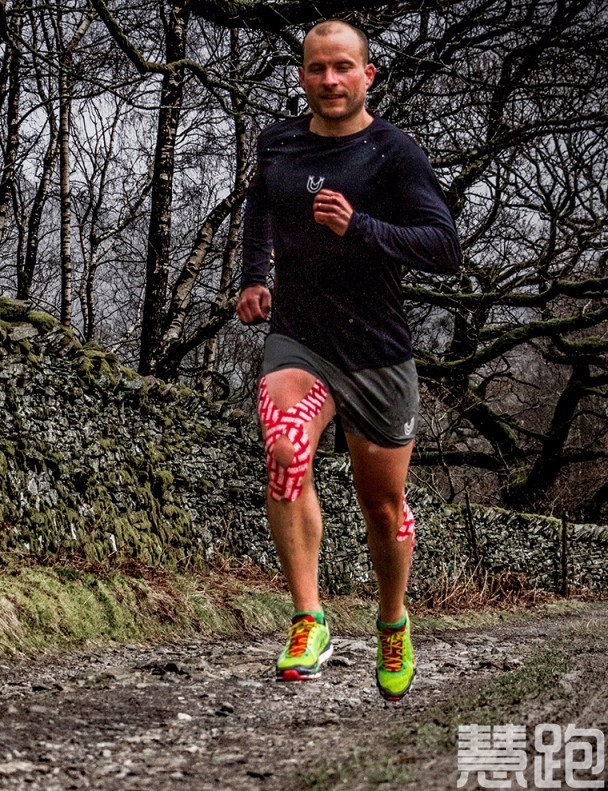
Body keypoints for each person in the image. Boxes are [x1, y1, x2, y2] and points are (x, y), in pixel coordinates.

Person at [236, 19, 461, 701]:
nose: (329, 80)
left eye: (342, 68)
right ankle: (309, 617)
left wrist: (359, 226)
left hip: (377, 354)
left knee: (382, 504)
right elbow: (259, 207)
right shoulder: (278, 143)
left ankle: (393, 621)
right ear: (302, 75)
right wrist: (254, 275)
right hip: (300, 338)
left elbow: (444, 248)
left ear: (369, 76)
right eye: (315, 68)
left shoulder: (394, 153)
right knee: (284, 449)